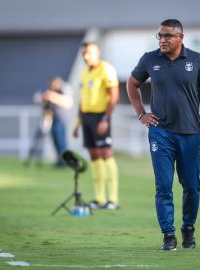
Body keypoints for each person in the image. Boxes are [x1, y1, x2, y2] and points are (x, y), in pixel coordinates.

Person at [126, 19, 200, 250]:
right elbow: (132, 83)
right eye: (160, 35)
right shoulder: (149, 59)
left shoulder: (197, 60)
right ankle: (168, 235)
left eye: (168, 35)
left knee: (191, 186)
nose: (162, 40)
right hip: (161, 133)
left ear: (181, 37)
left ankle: (188, 228)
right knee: (163, 186)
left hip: (190, 134)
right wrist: (141, 114)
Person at [73, 42, 120, 210]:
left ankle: (113, 199)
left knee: (106, 153)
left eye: (89, 53)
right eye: (84, 53)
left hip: (100, 116)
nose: (86, 56)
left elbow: (114, 95)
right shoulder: (84, 73)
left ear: (97, 52)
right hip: (86, 117)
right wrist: (77, 123)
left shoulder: (106, 69)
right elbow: (82, 99)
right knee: (93, 155)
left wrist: (105, 119)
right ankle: (99, 198)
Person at [39, 77, 74, 167]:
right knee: (55, 142)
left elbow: (68, 102)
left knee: (61, 142)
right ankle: (59, 160)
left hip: (61, 121)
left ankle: (65, 161)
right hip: (53, 120)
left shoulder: (63, 90)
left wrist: (52, 96)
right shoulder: (50, 92)